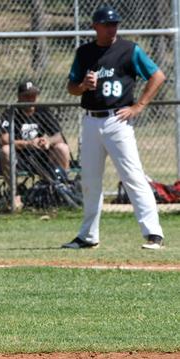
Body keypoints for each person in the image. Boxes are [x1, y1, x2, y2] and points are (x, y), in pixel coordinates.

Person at [62, 4, 166, 250]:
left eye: (115, 24)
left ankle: (153, 234)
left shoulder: (129, 50)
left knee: (133, 176)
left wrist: (138, 106)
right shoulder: (85, 52)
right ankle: (88, 236)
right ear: (95, 26)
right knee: (90, 180)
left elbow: (157, 76)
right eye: (107, 24)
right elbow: (71, 87)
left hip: (118, 121)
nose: (112, 28)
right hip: (90, 120)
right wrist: (83, 86)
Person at [0, 80, 71, 182]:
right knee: (6, 150)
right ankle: (14, 194)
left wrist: (47, 141)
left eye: (33, 95)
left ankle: (63, 188)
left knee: (62, 148)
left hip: (40, 156)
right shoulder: (11, 112)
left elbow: (59, 136)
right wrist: (28, 144)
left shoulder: (43, 110)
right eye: (27, 96)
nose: (31, 99)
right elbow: (4, 140)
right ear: (19, 97)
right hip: (19, 156)